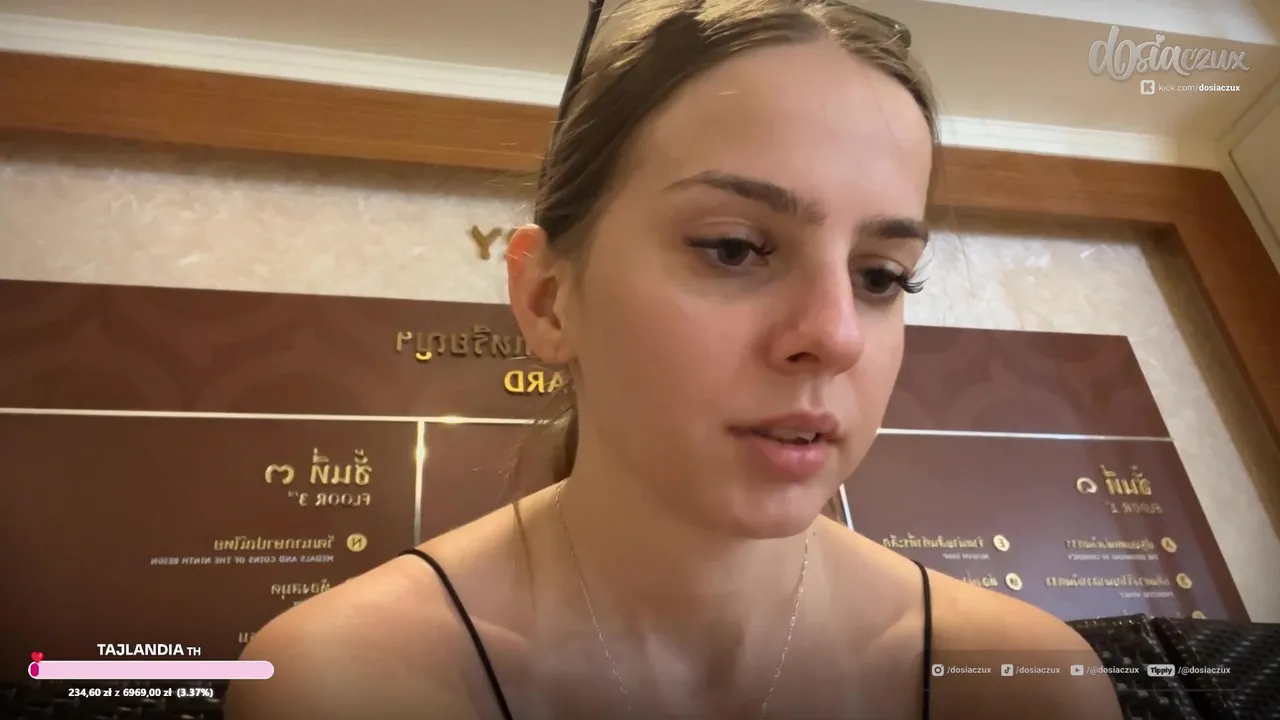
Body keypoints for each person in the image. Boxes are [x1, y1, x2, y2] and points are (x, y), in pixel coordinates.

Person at [229, 1, 1122, 718]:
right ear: (547, 300)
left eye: (881, 276)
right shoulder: (342, 681)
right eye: (733, 248)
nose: (837, 335)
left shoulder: (1025, 684)